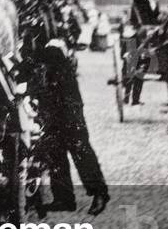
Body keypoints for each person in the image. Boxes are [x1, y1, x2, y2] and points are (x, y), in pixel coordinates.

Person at [25, 18, 109, 215]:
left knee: (80, 149)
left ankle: (99, 193)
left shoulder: (52, 49)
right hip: (51, 105)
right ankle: (64, 198)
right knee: (55, 152)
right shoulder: (37, 44)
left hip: (67, 108)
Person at [125, 0, 163, 105]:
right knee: (132, 66)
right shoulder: (138, 1)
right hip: (138, 34)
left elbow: (156, 19)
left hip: (150, 34)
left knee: (141, 69)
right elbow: (139, 19)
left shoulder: (156, 2)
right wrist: (148, 28)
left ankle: (135, 99)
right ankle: (127, 96)